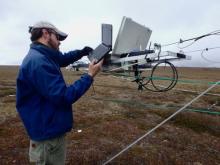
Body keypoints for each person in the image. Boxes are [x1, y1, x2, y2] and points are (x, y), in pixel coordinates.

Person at [16, 21, 103, 165]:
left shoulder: (42, 55)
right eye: (57, 37)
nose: (60, 42)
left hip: (48, 132)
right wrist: (89, 76)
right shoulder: (39, 62)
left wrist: (81, 52)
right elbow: (64, 96)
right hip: (47, 140)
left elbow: (62, 59)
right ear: (45, 34)